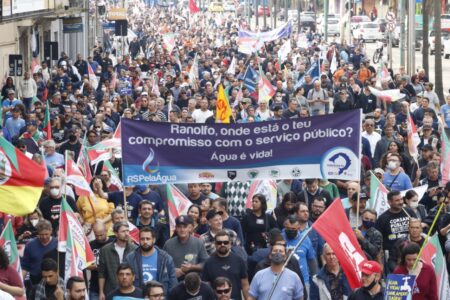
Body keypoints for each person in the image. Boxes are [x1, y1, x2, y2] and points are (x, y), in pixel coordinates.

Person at [125, 227, 177, 295]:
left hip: (160, 297)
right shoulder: (130, 258)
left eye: (148, 239)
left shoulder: (166, 258)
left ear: (154, 240)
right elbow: (126, 281)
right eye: (142, 239)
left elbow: (173, 282)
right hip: (139, 297)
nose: (145, 241)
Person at [375, 190, 416, 272]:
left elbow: (418, 227)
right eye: (397, 200)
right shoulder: (382, 218)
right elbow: (378, 241)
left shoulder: (409, 212)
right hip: (392, 258)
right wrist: (380, 262)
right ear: (389, 202)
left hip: (411, 254)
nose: (401, 202)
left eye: (401, 199)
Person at [202, 230, 250, 300]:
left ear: (230, 244)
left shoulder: (239, 260)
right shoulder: (208, 263)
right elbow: (206, 288)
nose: (222, 244)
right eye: (219, 242)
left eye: (225, 242)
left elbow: (245, 285)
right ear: (215, 244)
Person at [98, 221, 137, 299]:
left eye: (127, 231)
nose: (126, 234)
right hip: (111, 290)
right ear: (116, 233)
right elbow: (101, 273)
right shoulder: (105, 250)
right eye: (123, 231)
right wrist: (101, 292)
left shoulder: (135, 249)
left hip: (130, 291)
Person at [163, 215, 209, 280]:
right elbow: (162, 264)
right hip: (174, 281)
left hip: (194, 281)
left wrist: (192, 267)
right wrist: (172, 270)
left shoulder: (198, 242)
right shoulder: (168, 244)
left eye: (185, 227)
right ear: (176, 228)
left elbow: (206, 263)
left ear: (189, 228)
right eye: (179, 227)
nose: (182, 230)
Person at [282, 215, 318, 293]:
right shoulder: (280, 239)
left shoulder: (305, 239)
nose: (290, 231)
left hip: (303, 280)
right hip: (283, 280)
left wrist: (315, 277)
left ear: (298, 228)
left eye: (293, 229)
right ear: (284, 227)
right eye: (288, 228)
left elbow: (312, 261)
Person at [21, 220, 58, 286]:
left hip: (53, 281)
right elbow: (25, 267)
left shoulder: (57, 244)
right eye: (41, 235)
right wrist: (20, 283)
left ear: (51, 231)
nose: (44, 237)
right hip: (35, 281)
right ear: (37, 232)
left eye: (46, 234)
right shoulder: (30, 245)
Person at [88, 221, 114, 300]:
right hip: (95, 285)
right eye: (96, 235)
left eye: (101, 235)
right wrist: (95, 267)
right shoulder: (91, 244)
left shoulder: (113, 242)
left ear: (106, 230)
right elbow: (85, 263)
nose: (99, 238)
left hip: (111, 285)